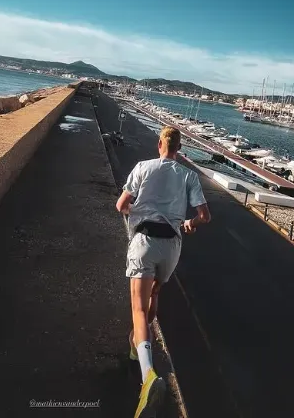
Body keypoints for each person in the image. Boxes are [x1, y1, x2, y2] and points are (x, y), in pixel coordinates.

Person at [116, 126, 210, 418]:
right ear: (178, 149)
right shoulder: (188, 175)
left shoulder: (143, 167)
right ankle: (136, 349)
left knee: (138, 311)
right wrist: (190, 224)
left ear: (160, 144)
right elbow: (205, 216)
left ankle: (148, 378)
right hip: (171, 246)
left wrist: (140, 212)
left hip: (145, 240)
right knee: (154, 296)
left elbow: (121, 205)